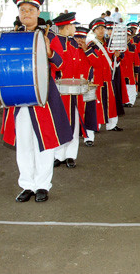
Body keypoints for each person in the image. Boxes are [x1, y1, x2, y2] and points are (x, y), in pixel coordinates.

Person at [1, 0, 73, 202]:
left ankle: (42, 185)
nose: (26, 13)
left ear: (38, 12)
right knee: (24, 143)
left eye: (30, 10)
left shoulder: (50, 35)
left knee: (45, 141)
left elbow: (62, 64)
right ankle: (27, 185)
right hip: (18, 98)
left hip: (44, 98)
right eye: (22, 10)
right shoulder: (13, 35)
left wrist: (50, 52)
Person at [50, 12, 89, 169]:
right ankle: (58, 155)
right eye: (73, 25)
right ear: (66, 26)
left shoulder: (73, 43)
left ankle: (71, 155)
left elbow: (80, 65)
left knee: (74, 123)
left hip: (73, 89)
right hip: (59, 90)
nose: (75, 28)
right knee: (59, 120)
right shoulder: (53, 41)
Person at [85, 18, 123, 139]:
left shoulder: (109, 42)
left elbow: (114, 58)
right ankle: (95, 126)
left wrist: (117, 55)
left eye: (102, 28)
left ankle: (112, 124)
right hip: (97, 77)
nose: (101, 31)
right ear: (94, 31)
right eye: (98, 29)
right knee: (96, 102)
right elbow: (92, 61)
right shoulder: (92, 44)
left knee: (111, 101)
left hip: (108, 76)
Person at [74, 26, 98, 148]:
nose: (79, 40)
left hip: (88, 85)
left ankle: (89, 137)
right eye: (77, 37)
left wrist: (87, 50)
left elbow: (97, 63)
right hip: (73, 87)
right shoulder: (71, 50)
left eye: (82, 37)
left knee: (89, 112)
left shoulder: (90, 50)